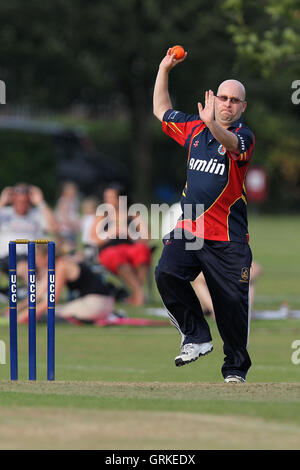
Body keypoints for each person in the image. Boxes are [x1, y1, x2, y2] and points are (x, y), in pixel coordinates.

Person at [153, 49, 255, 383]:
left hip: (228, 238)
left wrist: (214, 123)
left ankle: (235, 370)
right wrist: (164, 68)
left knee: (231, 307)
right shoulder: (195, 129)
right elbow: (161, 110)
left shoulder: (243, 136)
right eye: (222, 97)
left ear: (241, 106)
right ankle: (196, 336)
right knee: (167, 273)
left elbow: (234, 145)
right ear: (213, 98)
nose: (227, 103)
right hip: (190, 228)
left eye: (233, 100)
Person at [12, 243, 116, 324]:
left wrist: (25, 315)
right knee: (47, 312)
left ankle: (81, 320)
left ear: (47, 256)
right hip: (104, 302)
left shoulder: (62, 266)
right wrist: (18, 307)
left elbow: (52, 299)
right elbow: (38, 293)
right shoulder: (58, 265)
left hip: (96, 304)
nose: (35, 262)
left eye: (37, 258)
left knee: (47, 314)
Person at [90, 183, 152, 306]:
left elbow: (147, 238)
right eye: (106, 198)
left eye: (111, 197)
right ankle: (139, 294)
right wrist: (109, 234)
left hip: (130, 248)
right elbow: (93, 239)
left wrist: (131, 234)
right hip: (110, 250)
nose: (108, 201)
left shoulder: (133, 213)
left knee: (142, 250)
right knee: (115, 255)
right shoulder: (103, 215)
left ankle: (136, 294)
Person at [0, 183, 59, 276]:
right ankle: (37, 289)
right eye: (19, 201)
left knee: (54, 267)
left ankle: (41, 289)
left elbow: (55, 228)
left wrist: (41, 202)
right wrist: (2, 201)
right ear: (13, 200)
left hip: (36, 256)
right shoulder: (4, 212)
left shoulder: (37, 213)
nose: (22, 205)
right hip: (11, 256)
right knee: (27, 269)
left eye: (25, 202)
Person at [192, 261, 263, 319]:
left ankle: (245, 310)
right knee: (198, 278)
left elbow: (255, 269)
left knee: (248, 273)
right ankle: (215, 311)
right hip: (204, 304)